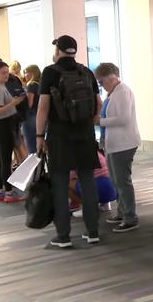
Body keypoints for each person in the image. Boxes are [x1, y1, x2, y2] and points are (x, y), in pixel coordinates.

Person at [36, 35, 102, 248]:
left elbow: (43, 108)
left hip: (60, 136)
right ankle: (93, 232)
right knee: (88, 183)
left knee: (60, 184)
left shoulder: (50, 72)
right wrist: (87, 122)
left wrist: (39, 136)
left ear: (58, 50)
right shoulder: (86, 72)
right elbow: (98, 103)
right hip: (85, 135)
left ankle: (63, 236)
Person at [94, 62, 141, 233]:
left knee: (123, 181)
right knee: (116, 181)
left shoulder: (122, 92)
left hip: (124, 143)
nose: (101, 84)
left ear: (111, 77)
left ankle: (130, 217)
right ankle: (122, 212)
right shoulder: (113, 92)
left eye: (101, 80)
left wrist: (100, 121)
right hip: (115, 144)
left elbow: (123, 119)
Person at [0, 60, 25, 203]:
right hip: (3, 125)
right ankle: (9, 192)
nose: (6, 75)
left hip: (3, 126)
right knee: (5, 161)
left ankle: (0, 190)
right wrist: (13, 103)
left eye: (7, 72)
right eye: (3, 73)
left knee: (1, 160)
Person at [22, 65, 41, 154]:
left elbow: (29, 103)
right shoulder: (40, 85)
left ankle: (34, 167)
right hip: (38, 116)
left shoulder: (31, 85)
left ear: (32, 73)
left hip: (30, 116)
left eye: (26, 72)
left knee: (31, 146)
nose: (25, 75)